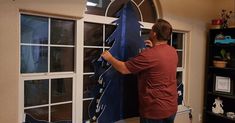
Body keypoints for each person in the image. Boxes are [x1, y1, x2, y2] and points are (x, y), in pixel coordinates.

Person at [101, 19, 178, 123]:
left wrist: (109, 58)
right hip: (171, 108)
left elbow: (124, 69)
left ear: (154, 34)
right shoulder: (173, 51)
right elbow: (159, 64)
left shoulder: (149, 55)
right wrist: (153, 48)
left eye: (151, 30)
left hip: (154, 112)